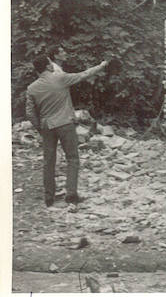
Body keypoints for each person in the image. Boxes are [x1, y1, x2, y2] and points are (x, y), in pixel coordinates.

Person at [25, 55, 108, 207]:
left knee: (48, 161)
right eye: (51, 63)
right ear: (49, 67)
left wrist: (40, 127)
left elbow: (30, 113)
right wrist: (101, 65)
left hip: (47, 126)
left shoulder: (32, 88)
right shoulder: (61, 79)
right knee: (72, 159)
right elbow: (84, 74)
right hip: (65, 124)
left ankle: (49, 197)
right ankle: (71, 195)